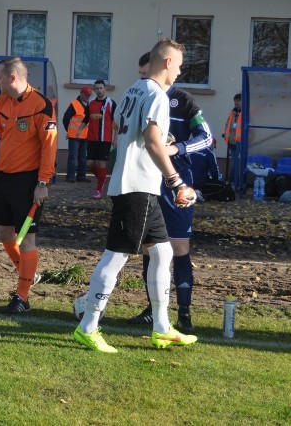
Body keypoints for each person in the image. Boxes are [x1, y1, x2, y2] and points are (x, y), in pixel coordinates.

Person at [73, 38, 198, 353]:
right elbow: (154, 141)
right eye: (180, 65)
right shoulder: (156, 94)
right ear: (168, 62)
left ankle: (162, 327)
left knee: (162, 253)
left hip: (139, 185)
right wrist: (176, 180)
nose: (180, 72)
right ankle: (87, 327)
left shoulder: (132, 89)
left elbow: (121, 127)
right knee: (116, 256)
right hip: (137, 186)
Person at [127, 82, 213, 335]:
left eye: (146, 72)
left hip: (176, 181)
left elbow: (206, 137)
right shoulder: (139, 95)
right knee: (149, 245)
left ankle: (184, 312)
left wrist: (177, 147)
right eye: (140, 74)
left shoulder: (183, 100)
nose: (144, 78)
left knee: (179, 247)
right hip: (144, 179)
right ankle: (152, 310)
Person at [0, 56, 57, 313]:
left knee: (27, 239)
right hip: (3, 177)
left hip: (29, 180)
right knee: (4, 234)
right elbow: (5, 135)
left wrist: (42, 182)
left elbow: (49, 148)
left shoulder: (41, 105)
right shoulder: (1, 102)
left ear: (13, 78)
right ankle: (29, 274)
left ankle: (22, 297)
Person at [80, 79, 116, 199]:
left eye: (101, 88)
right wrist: (79, 130)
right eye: (97, 88)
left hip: (105, 139)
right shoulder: (91, 103)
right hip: (92, 138)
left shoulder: (111, 103)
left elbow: (116, 122)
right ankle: (102, 178)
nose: (99, 90)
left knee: (101, 164)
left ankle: (99, 189)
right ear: (94, 90)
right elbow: (86, 118)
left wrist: (115, 138)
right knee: (90, 164)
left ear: (104, 89)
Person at [63, 86, 92, 183]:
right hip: (74, 136)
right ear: (81, 94)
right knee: (73, 157)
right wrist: (69, 131)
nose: (88, 96)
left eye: (89, 95)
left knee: (83, 157)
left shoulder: (89, 105)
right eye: (86, 95)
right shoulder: (74, 104)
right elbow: (65, 119)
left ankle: (81, 176)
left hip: (85, 136)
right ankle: (70, 177)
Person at [223, 93, 243, 191]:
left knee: (238, 164)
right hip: (232, 143)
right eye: (235, 101)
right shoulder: (232, 113)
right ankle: (232, 183)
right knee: (234, 164)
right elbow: (228, 125)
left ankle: (236, 183)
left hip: (241, 143)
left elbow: (250, 130)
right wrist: (226, 136)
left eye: (239, 101)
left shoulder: (246, 113)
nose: (236, 103)